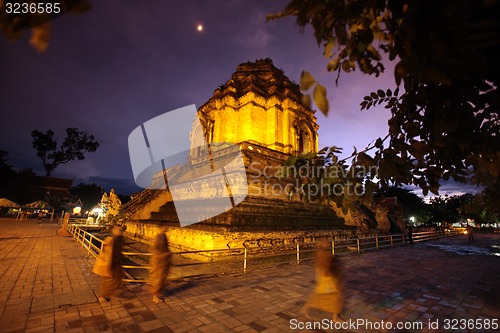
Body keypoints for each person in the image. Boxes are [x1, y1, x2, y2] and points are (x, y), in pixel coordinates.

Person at [301, 241, 344, 322]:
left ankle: (335, 316)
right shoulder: (321, 254)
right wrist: (336, 265)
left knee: (330, 297)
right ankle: (307, 307)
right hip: (327, 280)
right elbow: (326, 266)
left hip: (327, 279)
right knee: (331, 297)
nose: (327, 243)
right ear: (321, 245)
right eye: (325, 243)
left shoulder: (324, 253)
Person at [93, 225, 125, 303]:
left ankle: (114, 294)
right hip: (109, 264)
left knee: (117, 279)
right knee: (107, 281)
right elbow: (107, 254)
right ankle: (102, 296)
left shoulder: (119, 240)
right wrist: (108, 265)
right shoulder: (110, 240)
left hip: (116, 263)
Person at [149, 231, 172, 303]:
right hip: (158, 269)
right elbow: (157, 258)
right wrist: (167, 255)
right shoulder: (157, 250)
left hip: (162, 269)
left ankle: (157, 294)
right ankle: (155, 297)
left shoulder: (161, 248)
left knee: (160, 282)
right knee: (157, 282)